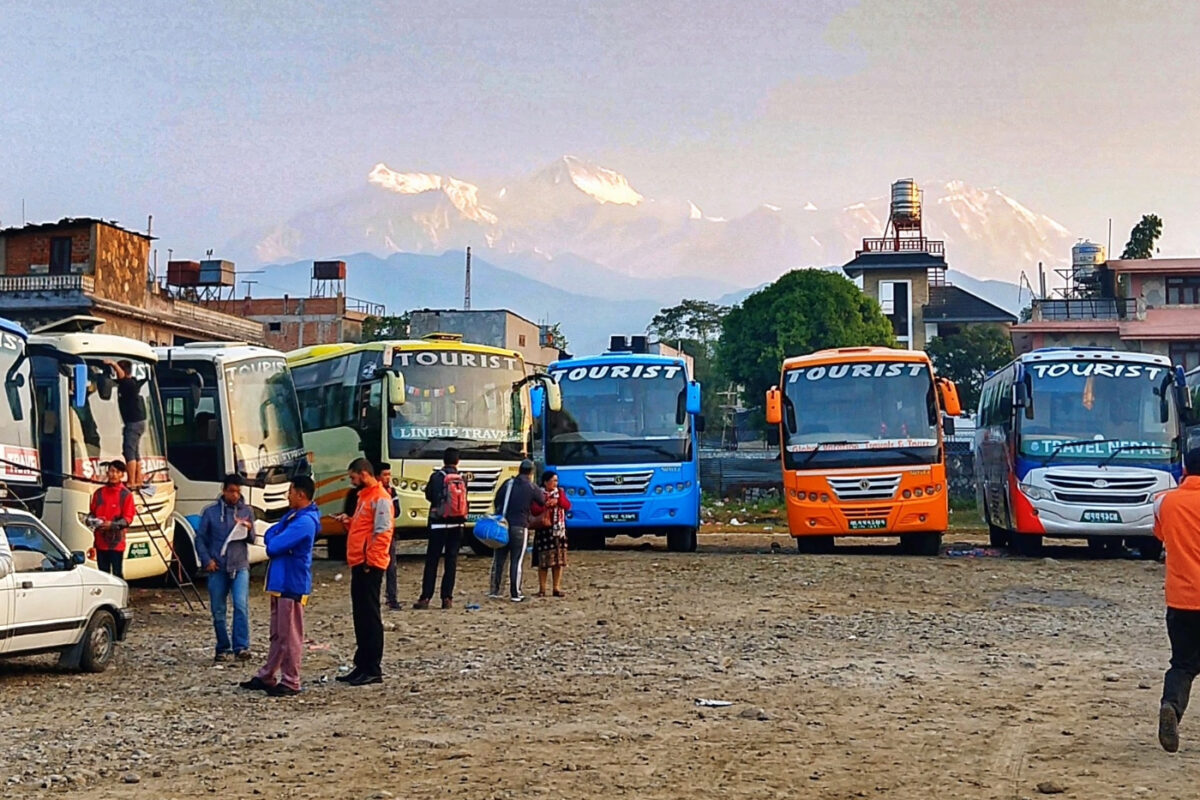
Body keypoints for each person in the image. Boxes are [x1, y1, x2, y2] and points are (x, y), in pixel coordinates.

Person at [240, 476, 319, 698]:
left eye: (291, 491)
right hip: (280, 581)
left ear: (300, 494)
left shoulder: (304, 522)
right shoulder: (293, 517)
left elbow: (273, 545)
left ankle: (291, 680)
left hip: (291, 583)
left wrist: (276, 538)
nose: (288, 495)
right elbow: (273, 534)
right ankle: (267, 674)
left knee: (290, 634)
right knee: (277, 633)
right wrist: (276, 537)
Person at [1155, 447, 1200, 752]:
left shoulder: (1165, 502)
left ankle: (1171, 705)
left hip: (1182, 598)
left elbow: (1160, 535)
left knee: (1182, 664)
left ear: (1185, 469)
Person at [335, 458, 394, 686]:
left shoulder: (380, 498)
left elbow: (382, 533)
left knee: (370, 616)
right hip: (360, 561)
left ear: (363, 473)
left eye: (353, 477)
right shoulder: (365, 497)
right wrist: (349, 522)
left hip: (370, 563)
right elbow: (365, 527)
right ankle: (362, 664)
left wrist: (370, 560)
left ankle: (372, 667)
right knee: (361, 615)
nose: (352, 481)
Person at [195, 474, 257, 663]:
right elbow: (200, 538)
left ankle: (241, 646)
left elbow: (252, 538)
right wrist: (206, 560)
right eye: (232, 491)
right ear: (224, 491)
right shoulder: (211, 512)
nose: (235, 495)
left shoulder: (247, 511)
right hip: (218, 567)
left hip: (239, 565)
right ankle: (223, 647)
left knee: (240, 606)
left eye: (238, 491)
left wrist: (247, 529)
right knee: (218, 610)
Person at [415, 447, 467, 609]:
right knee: (451, 561)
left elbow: (429, 495)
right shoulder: (462, 479)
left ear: (443, 460)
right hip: (457, 524)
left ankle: (426, 597)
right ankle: (447, 598)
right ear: (457, 461)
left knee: (432, 561)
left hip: (438, 524)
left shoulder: (437, 477)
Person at [490, 459, 545, 603]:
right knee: (517, 560)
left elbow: (497, 500)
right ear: (531, 472)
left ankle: (496, 591)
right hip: (520, 526)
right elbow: (542, 501)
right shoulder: (531, 487)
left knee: (499, 559)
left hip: (503, 525)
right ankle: (515, 593)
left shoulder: (508, 484)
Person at [104, 359, 151, 494]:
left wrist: (113, 364)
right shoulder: (132, 383)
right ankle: (138, 480)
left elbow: (121, 376)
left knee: (129, 451)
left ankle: (131, 481)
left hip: (133, 423)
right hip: (139, 422)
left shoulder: (127, 383)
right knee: (135, 452)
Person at [88, 460, 136, 579]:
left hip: (117, 543)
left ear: (122, 475)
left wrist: (112, 525)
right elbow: (91, 513)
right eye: (112, 471)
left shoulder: (126, 495)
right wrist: (92, 521)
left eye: (117, 472)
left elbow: (128, 519)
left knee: (117, 574)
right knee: (102, 575)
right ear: (107, 472)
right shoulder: (98, 493)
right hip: (100, 541)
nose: (114, 474)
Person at [530, 470, 571, 598]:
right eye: (553, 480)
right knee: (543, 562)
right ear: (546, 482)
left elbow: (567, 505)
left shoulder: (560, 493)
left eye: (556, 481)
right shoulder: (539, 494)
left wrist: (558, 502)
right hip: (543, 530)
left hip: (558, 530)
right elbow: (534, 510)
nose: (555, 483)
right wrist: (546, 505)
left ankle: (556, 588)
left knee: (558, 562)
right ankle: (542, 589)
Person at [377, 462, 402, 610]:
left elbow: (397, 511)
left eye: (389, 475)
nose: (387, 478)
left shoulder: (391, 492)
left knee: (391, 568)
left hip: (389, 534)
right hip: (375, 537)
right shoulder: (371, 493)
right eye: (385, 475)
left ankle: (392, 598)